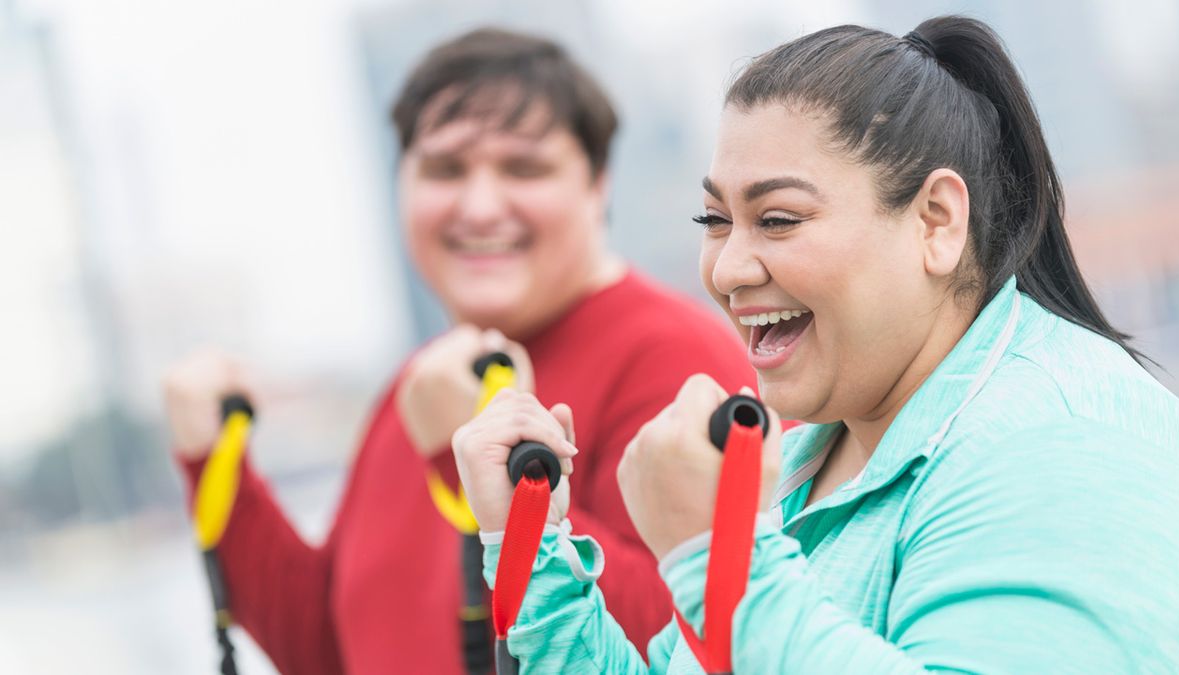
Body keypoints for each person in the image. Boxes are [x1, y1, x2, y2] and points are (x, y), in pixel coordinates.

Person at [452, 16, 1179, 673]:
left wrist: (717, 556)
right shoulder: (808, 455)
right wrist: (531, 541)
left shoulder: (1058, 445)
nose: (729, 268)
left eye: (777, 220)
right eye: (714, 222)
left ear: (936, 220)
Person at [162, 28, 755, 675]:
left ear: (598, 185)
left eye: (523, 168)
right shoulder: (418, 384)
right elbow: (328, 647)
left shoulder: (673, 358)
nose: (478, 206)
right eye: (444, 169)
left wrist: (468, 464)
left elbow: (696, 639)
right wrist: (213, 464)